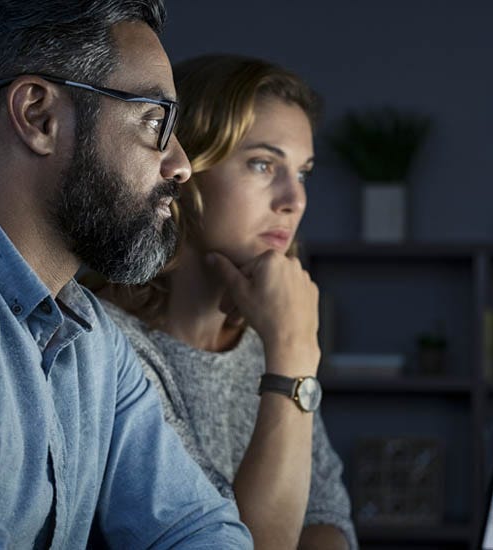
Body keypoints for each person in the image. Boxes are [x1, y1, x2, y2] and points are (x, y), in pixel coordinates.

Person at [0, 1, 253, 547]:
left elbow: (196, 527)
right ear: (39, 116)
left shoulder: (93, 340)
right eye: (154, 121)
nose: (181, 164)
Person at [97, 54, 357, 549]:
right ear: (184, 166)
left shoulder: (266, 336)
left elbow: (327, 520)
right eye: (263, 164)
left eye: (302, 173)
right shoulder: (106, 343)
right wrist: (294, 356)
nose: (294, 200)